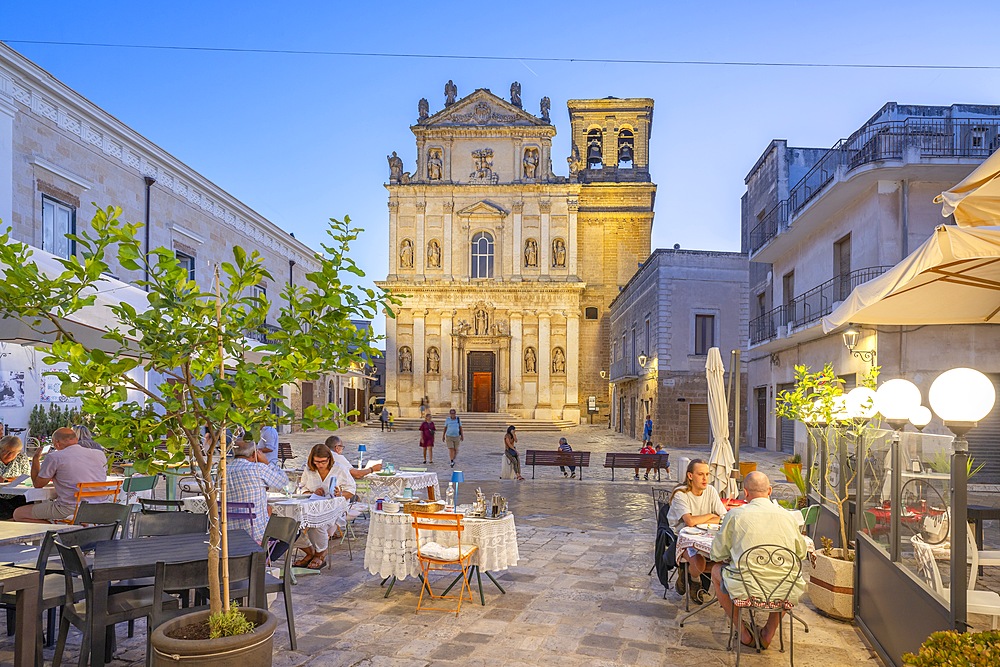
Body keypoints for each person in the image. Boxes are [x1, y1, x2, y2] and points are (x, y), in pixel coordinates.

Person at [710, 472, 808, 649]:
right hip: (784, 590)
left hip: (746, 589)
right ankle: (768, 633)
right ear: (769, 491)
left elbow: (717, 554)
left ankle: (744, 633)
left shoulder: (735, 515)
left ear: (745, 493)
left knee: (716, 570)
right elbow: (800, 553)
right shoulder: (788, 517)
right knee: (789, 577)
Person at [14, 427, 109, 523]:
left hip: (70, 508)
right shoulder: (99, 454)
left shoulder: (55, 457)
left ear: (56, 443)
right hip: (100, 507)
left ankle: (54, 531)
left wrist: (35, 459)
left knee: (18, 514)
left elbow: (38, 484)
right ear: (76, 439)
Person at [666, 459, 727, 604]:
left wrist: (706, 519)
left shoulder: (711, 491)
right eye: (700, 474)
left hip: (707, 536)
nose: (705, 478)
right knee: (699, 563)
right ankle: (694, 581)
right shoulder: (680, 493)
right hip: (682, 538)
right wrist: (711, 516)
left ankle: (686, 573)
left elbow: (724, 517)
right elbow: (690, 521)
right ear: (690, 476)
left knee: (724, 561)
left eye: (707, 474)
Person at [226, 439, 288, 543]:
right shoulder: (258, 468)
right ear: (255, 453)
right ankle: (264, 558)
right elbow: (283, 482)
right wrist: (267, 463)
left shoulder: (223, 470)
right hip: (256, 534)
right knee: (292, 530)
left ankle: (262, 557)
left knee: (268, 510)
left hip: (229, 533)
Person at [294, 444, 345, 569]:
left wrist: (340, 493)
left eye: (323, 462)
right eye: (317, 462)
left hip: (333, 508)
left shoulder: (339, 469)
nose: (320, 465)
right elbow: (302, 488)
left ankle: (320, 553)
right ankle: (309, 551)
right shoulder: (309, 469)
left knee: (316, 524)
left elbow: (351, 490)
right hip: (311, 505)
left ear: (329, 459)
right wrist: (311, 493)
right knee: (290, 523)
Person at [0, 436, 30, 520]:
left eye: (11, 452)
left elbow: (26, 476)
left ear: (18, 452)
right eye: (4, 450)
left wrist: (7, 479)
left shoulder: (21, 457)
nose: (7, 454)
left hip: (17, 495)